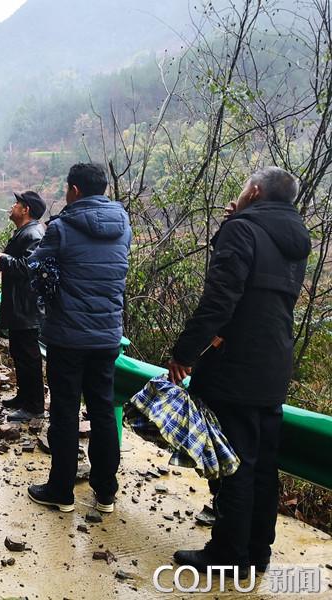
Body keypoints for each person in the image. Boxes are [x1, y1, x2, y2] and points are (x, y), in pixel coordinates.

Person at [167, 167, 310, 573]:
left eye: (245, 188)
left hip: (236, 366)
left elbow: (220, 300)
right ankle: (257, 552)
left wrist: (185, 352)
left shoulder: (242, 231)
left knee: (233, 463)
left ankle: (228, 554)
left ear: (255, 190)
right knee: (263, 464)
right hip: (274, 364)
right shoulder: (295, 240)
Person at [25, 163, 131, 514]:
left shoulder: (63, 226)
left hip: (68, 337)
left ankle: (61, 490)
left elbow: (36, 267)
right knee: (102, 410)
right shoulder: (123, 224)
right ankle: (105, 493)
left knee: (66, 410)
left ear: (73, 191)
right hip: (107, 336)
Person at [0, 191, 47, 422]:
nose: (12, 206)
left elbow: (29, 267)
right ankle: (24, 397)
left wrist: (4, 260)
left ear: (26, 209)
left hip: (27, 307)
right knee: (19, 353)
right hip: (20, 306)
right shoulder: (26, 231)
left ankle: (34, 406)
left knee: (29, 356)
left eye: (16, 203)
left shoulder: (34, 233)